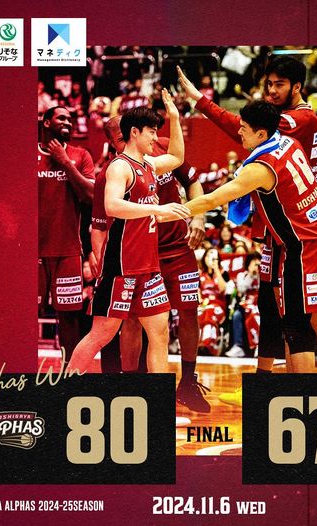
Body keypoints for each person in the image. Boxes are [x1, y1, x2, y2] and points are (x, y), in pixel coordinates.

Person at [162, 101, 317, 376]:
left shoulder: (260, 168)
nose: (239, 134)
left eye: (244, 129)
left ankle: (303, 397)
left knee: (296, 330)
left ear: (261, 133)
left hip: (302, 250)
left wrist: (163, 214)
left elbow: (211, 200)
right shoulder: (290, 142)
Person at [178, 57, 317, 393]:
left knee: (310, 322)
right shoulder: (283, 140)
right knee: (273, 308)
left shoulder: (292, 127)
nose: (271, 91)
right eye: (268, 84)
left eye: (279, 85)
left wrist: (167, 212)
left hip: (303, 236)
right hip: (286, 233)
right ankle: (270, 384)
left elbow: (215, 197)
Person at [91, 115, 211, 412]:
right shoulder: (113, 172)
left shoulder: (160, 150)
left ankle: (188, 383)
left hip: (178, 247)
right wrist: (101, 262)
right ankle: (135, 387)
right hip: (141, 253)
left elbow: (193, 181)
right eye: (119, 139)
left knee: (188, 310)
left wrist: (199, 217)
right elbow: (100, 224)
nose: (128, 140)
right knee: (132, 321)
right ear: (113, 143)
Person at [66, 90, 190, 374]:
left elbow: (177, 156)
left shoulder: (149, 164)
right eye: (151, 132)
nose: (155, 138)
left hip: (149, 267)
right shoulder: (120, 167)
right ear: (135, 132)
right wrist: (157, 209)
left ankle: (157, 397)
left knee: (160, 333)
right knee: (101, 334)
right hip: (121, 266)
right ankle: (64, 387)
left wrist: (174, 117)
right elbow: (112, 206)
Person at [38, 106, 95, 364]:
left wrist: (64, 162)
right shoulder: (26, 155)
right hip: (31, 252)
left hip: (68, 250)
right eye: (62, 118)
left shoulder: (80, 155)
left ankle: (70, 375)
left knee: (69, 317)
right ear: (46, 122)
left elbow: (90, 196)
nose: (68, 122)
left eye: (71, 119)